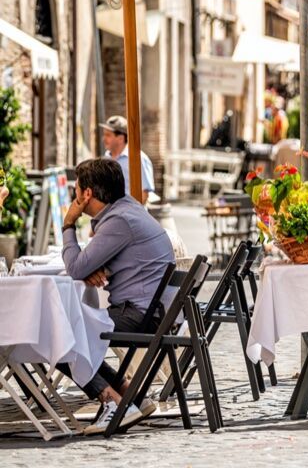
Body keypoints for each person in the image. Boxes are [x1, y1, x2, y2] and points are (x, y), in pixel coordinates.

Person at [59, 158, 176, 433]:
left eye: (77, 188)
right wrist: (92, 267)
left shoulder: (119, 221)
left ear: (87, 194)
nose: (75, 194)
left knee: (59, 331)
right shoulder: (128, 210)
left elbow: (75, 267)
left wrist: (68, 225)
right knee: (72, 327)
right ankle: (129, 394)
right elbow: (88, 264)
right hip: (154, 311)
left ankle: (111, 402)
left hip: (141, 315)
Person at [101, 115, 155, 200]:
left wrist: (130, 212)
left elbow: (144, 194)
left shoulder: (138, 159)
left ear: (120, 138)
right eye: (104, 135)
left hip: (130, 212)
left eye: (108, 135)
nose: (104, 139)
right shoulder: (105, 159)